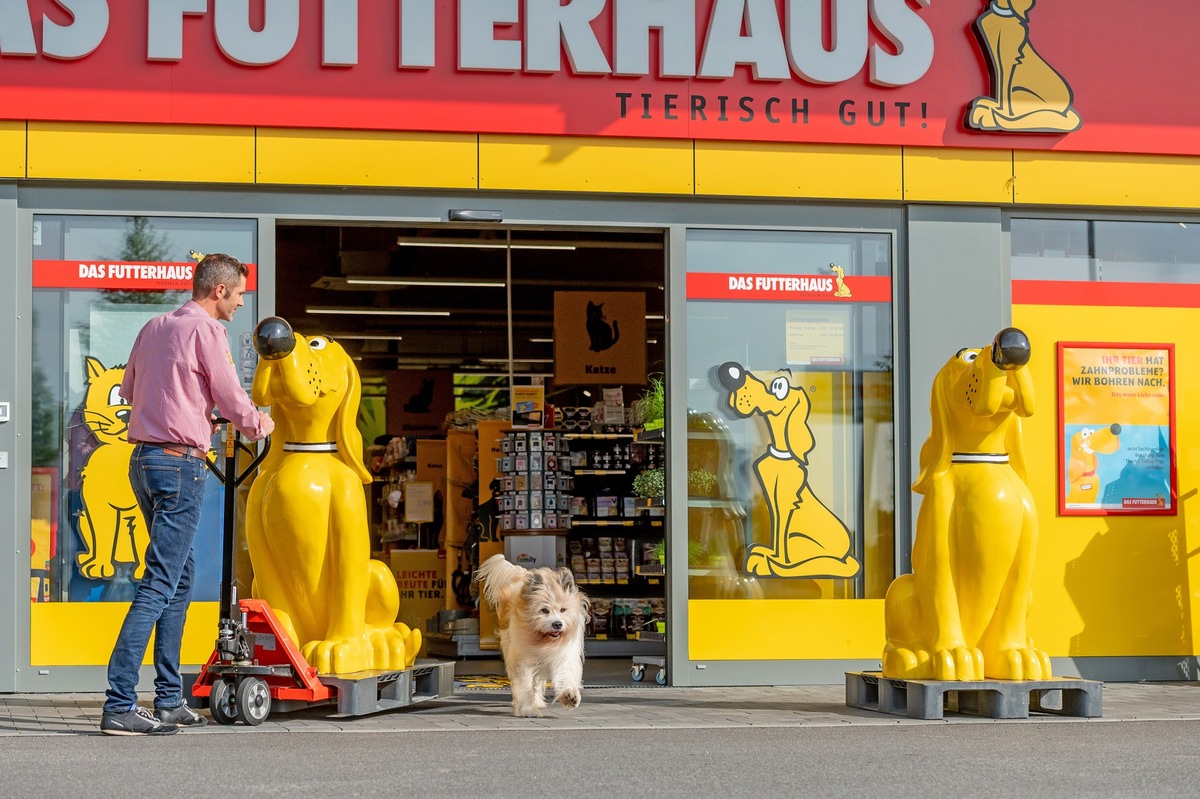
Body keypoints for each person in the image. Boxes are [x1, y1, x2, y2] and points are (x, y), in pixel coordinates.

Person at [101, 253, 274, 736]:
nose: (241, 302)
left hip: (144, 460)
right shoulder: (207, 331)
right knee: (160, 581)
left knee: (179, 577)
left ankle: (170, 698)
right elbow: (229, 393)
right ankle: (118, 702)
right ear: (218, 290)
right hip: (179, 465)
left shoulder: (155, 325)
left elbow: (130, 390)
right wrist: (259, 424)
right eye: (239, 293)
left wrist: (191, 409)